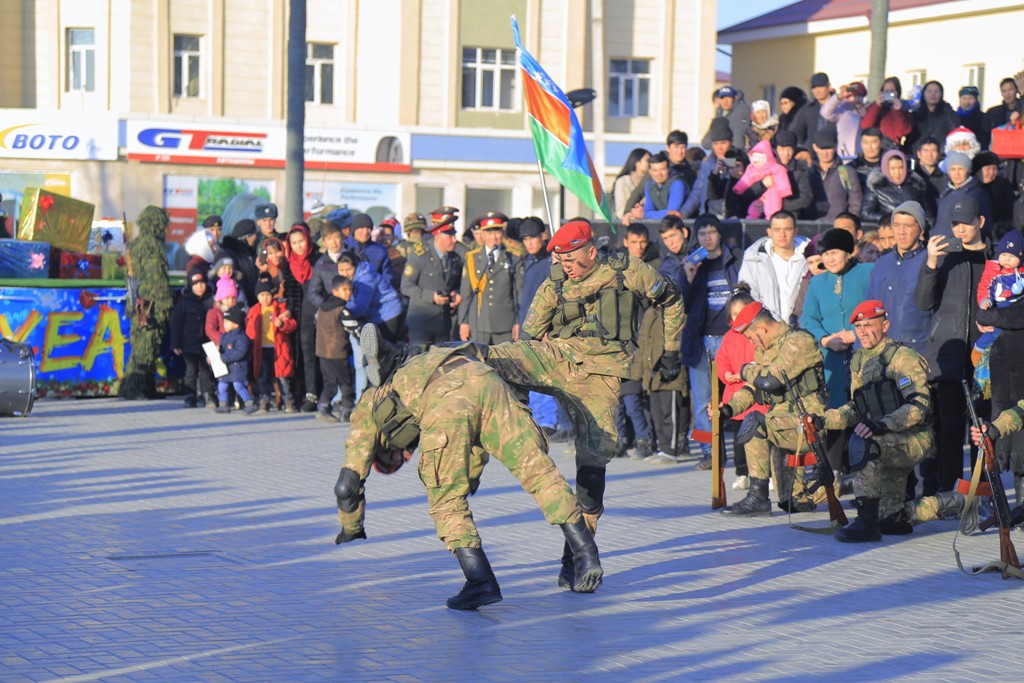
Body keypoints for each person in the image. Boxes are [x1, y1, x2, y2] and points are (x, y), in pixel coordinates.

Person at [482, 219, 684, 587]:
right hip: (560, 358)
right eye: (561, 259)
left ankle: (574, 558)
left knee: (593, 462)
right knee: (494, 355)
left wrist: (671, 350)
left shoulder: (627, 271)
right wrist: (522, 367)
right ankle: (412, 357)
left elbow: (671, 299)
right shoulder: (556, 279)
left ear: (592, 251)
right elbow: (530, 333)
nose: (567, 266)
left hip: (602, 373)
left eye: (572, 259)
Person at [333, 339, 604, 609]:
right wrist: (469, 479)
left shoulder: (368, 408)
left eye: (394, 459)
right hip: (485, 378)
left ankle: (480, 581)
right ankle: (585, 554)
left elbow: (346, 486)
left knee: (445, 501)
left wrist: (352, 528)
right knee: (539, 472)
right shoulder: (414, 368)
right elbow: (473, 446)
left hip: (445, 398)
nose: (405, 455)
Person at [820, 300, 934, 541]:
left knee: (863, 443)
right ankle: (957, 501)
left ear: (886, 325)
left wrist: (883, 424)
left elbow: (918, 407)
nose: (864, 331)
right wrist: (822, 420)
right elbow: (855, 408)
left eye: (870, 325)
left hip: (912, 439)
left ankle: (866, 523)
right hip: (884, 438)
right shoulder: (859, 359)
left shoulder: (903, 358)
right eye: (859, 327)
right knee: (893, 521)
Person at [717, 301, 827, 515]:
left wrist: (744, 369)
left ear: (762, 329)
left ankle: (758, 498)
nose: (754, 345)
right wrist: (728, 410)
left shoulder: (799, 342)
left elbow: (768, 380)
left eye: (751, 338)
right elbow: (753, 389)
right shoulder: (766, 349)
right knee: (792, 504)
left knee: (756, 422)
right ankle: (799, 496)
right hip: (782, 424)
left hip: (808, 422)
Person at [915, 196, 991, 495]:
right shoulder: (945, 257)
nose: (959, 230)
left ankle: (982, 492)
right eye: (955, 224)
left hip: (984, 358)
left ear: (980, 222)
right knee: (948, 431)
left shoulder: (996, 258)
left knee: (982, 431)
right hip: (948, 355)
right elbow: (923, 302)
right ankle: (949, 493)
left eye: (966, 223)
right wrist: (931, 263)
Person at [680, 215, 741, 469]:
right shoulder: (694, 263)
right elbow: (681, 302)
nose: (707, 237)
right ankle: (709, 452)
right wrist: (689, 276)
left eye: (712, 232)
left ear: (719, 234)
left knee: (736, 395)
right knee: (702, 399)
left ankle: (743, 452)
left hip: (731, 339)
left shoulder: (735, 259)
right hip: (702, 340)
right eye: (702, 233)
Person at [716, 288, 767, 491]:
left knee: (762, 437)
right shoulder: (729, 336)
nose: (739, 318)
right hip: (736, 396)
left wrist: (746, 373)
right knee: (739, 441)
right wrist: (726, 374)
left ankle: (766, 475)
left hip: (758, 397)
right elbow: (721, 360)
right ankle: (742, 472)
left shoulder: (758, 332)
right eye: (735, 314)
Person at [867, 202, 933, 355]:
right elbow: (869, 308)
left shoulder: (932, 261)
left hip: (918, 352)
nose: (901, 232)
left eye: (908, 226)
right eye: (896, 225)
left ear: (921, 229)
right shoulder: (881, 263)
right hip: (881, 351)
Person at [401, 207, 464, 344]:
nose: (454, 240)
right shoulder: (420, 255)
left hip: (443, 324)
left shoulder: (454, 259)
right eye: (450, 236)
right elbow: (406, 286)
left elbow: (456, 284)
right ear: (439, 237)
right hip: (421, 323)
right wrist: (432, 297)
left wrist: (456, 294)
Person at [737, 209, 810, 326]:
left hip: (802, 331)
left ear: (796, 231)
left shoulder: (811, 258)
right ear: (769, 232)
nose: (782, 234)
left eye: (788, 229)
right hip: (765, 330)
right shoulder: (753, 259)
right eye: (777, 230)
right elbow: (748, 297)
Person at [459, 211, 521, 344]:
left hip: (505, 324)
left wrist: (518, 322)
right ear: (482, 234)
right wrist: (463, 322)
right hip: (479, 322)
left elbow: (518, 293)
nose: (493, 237)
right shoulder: (472, 258)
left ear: (502, 233)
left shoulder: (513, 257)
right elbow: (466, 293)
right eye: (489, 233)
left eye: (497, 232)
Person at [283, 223, 320, 413]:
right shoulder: (289, 266)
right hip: (300, 318)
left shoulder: (318, 260)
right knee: (304, 357)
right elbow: (288, 294)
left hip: (320, 315)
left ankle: (320, 394)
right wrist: (288, 310)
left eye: (301, 241)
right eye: (294, 243)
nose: (298, 246)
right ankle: (308, 394)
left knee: (322, 356)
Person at [246, 278, 297, 413]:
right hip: (261, 349)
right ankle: (264, 400)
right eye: (261, 295)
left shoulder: (280, 309)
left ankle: (288, 401)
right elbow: (249, 330)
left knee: (282, 376)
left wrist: (282, 325)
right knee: (263, 376)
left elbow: (292, 325)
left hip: (278, 347)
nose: (265, 298)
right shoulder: (254, 311)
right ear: (257, 296)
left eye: (267, 294)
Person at [682, 118, 747, 218]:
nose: (719, 148)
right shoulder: (707, 164)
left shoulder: (740, 161)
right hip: (709, 216)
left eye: (723, 143)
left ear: (731, 142)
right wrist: (683, 213)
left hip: (732, 218)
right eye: (716, 144)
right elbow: (697, 193)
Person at [170, 268, 214, 408]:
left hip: (207, 343)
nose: (200, 287)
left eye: (202, 283)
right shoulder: (184, 303)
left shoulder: (211, 301)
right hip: (189, 343)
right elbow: (176, 324)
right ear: (190, 286)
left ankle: (207, 394)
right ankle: (190, 395)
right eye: (196, 284)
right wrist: (175, 343)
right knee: (190, 371)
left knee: (206, 371)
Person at [315, 275, 357, 423]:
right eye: (344, 289)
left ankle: (323, 407)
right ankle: (347, 411)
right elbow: (354, 328)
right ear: (334, 291)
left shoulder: (323, 307)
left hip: (322, 352)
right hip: (338, 352)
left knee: (329, 382)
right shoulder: (342, 310)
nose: (348, 293)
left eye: (350, 289)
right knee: (346, 382)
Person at [862, 149, 933, 223]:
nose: (897, 172)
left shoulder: (916, 184)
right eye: (893, 168)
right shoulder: (876, 185)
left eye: (901, 168)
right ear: (885, 168)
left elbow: (928, 214)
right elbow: (866, 213)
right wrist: (893, 218)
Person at [934, 152, 993, 240]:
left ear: (968, 170)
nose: (957, 173)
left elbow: (986, 224)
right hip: (941, 245)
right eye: (953, 169)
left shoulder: (978, 194)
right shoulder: (945, 192)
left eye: (960, 169)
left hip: (962, 247)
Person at [809, 128, 863, 221]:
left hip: (838, 227)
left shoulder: (847, 172)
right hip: (809, 226)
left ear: (835, 146)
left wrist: (848, 223)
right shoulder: (808, 172)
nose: (825, 153)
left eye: (828, 148)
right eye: (821, 148)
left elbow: (855, 202)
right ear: (815, 147)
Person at [215, 306, 257, 415]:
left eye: (227, 322)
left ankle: (250, 403)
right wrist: (215, 354)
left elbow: (240, 352)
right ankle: (223, 404)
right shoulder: (224, 336)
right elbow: (222, 350)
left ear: (236, 324)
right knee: (222, 385)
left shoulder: (241, 337)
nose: (224, 324)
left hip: (238, 368)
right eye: (224, 322)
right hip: (226, 368)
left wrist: (224, 358)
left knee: (238, 386)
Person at [859, 77, 913, 148]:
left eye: (892, 91)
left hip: (892, 147)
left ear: (898, 93)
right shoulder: (874, 107)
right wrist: (877, 106)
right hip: (875, 147)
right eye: (886, 91)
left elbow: (901, 132)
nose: (889, 94)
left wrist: (897, 111)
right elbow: (865, 126)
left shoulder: (904, 109)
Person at [790, 72, 837, 150]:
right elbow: (795, 131)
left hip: (837, 153)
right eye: (814, 87)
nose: (817, 90)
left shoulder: (841, 106)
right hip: (813, 155)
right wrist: (802, 150)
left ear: (828, 86)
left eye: (820, 86)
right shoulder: (807, 109)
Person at [820, 81, 867, 158]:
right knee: (843, 170)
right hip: (844, 157)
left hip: (862, 158)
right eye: (854, 96)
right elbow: (825, 112)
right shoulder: (843, 109)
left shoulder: (867, 111)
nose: (857, 99)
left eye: (860, 96)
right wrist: (839, 96)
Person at [909, 80, 960, 149]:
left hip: (942, 155)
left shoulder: (949, 114)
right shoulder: (915, 114)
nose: (932, 94)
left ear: (941, 94)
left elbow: (955, 136)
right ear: (923, 94)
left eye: (936, 91)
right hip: (918, 155)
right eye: (929, 91)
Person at [220, 218, 260, 305]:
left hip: (253, 299)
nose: (255, 237)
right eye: (253, 234)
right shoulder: (230, 254)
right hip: (239, 300)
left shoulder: (251, 252)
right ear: (245, 238)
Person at [345, 212, 392, 280]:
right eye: (362, 228)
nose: (365, 231)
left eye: (368, 228)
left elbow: (387, 277)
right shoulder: (344, 247)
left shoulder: (380, 251)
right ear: (354, 230)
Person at [701, 85, 750, 150]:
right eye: (722, 97)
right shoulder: (720, 113)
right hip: (722, 153)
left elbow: (739, 139)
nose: (725, 101)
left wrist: (732, 155)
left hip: (735, 154)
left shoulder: (741, 111)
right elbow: (706, 142)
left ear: (734, 98)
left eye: (728, 97)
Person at [611, 148, 650, 219]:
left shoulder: (652, 181)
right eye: (647, 160)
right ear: (637, 162)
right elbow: (620, 209)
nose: (650, 163)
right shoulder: (623, 181)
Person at [983, 75, 1023, 141]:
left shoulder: (1022, 110)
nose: (1007, 94)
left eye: (1010, 90)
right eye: (1004, 91)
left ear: (1016, 90)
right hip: (1000, 148)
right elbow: (985, 134)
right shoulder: (992, 112)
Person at [850, 127, 884, 191]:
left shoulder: (889, 167)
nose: (869, 147)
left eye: (873, 142)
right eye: (865, 142)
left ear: (881, 143)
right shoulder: (852, 167)